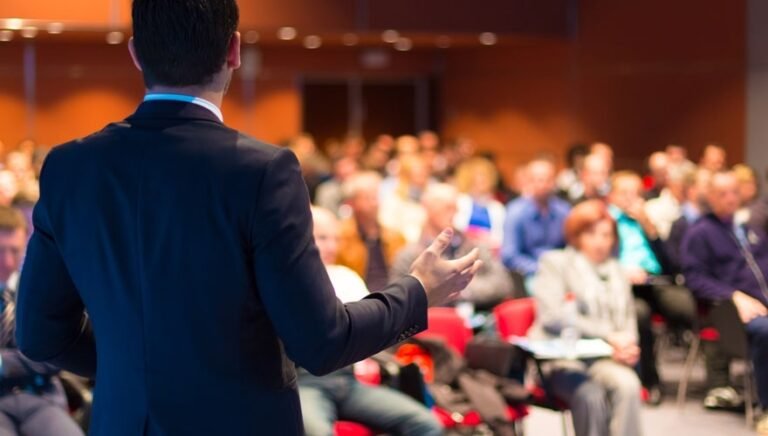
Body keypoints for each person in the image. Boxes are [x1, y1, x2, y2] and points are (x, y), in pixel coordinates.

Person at [14, 2, 481, 435]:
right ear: (234, 50)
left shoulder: (70, 167)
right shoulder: (261, 172)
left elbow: (39, 336)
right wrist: (417, 292)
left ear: (136, 53)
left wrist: (138, 367)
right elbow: (321, 342)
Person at [299, 207, 442, 436]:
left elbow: (376, 326)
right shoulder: (290, 284)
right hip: (306, 382)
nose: (332, 247)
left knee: (427, 424)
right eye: (323, 238)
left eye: (336, 239)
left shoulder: (346, 276)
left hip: (347, 381)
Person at [529, 200, 642, 436]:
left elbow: (628, 318)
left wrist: (628, 345)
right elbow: (553, 316)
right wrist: (609, 335)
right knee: (591, 395)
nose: (600, 242)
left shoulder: (617, 270)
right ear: (576, 236)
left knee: (628, 384)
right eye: (591, 234)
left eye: (606, 235)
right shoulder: (556, 263)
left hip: (605, 357)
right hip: (563, 358)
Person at [682, 171, 768, 433]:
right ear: (710, 197)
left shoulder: (748, 229)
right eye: (723, 193)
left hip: (762, 304)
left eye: (734, 192)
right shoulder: (699, 233)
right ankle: (766, 409)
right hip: (729, 313)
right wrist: (734, 296)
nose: (730, 198)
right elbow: (695, 279)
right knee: (766, 330)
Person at [608, 171, 695, 403]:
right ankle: (649, 380)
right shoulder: (606, 221)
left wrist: (650, 228)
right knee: (640, 315)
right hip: (622, 287)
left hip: (655, 282)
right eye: (624, 193)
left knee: (686, 306)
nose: (630, 199)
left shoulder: (646, 220)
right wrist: (623, 272)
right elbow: (600, 260)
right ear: (611, 196)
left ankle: (719, 379)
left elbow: (670, 263)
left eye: (635, 193)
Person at [0, 206, 84, 435]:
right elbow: (38, 353)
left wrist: (3, 364)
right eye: (0, 251)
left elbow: (53, 357)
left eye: (15, 251)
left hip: (41, 398)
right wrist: (26, 360)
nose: (7, 261)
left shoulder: (38, 289)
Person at [391, 184, 513, 311]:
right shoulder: (409, 255)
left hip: (478, 316)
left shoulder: (474, 246)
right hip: (432, 320)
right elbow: (399, 299)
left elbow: (503, 284)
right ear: (428, 208)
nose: (454, 213)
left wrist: (461, 289)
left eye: (455, 208)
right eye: (447, 208)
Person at [502, 158, 570, 285]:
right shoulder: (515, 212)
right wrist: (540, 269)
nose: (543, 185)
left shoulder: (564, 210)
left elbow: (571, 247)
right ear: (528, 182)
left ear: (554, 181)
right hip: (529, 274)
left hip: (560, 270)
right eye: (538, 180)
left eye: (548, 180)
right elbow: (509, 255)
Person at [336, 171, 407, 292]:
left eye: (376, 197)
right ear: (352, 203)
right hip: (358, 296)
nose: (374, 203)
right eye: (367, 198)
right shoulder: (340, 237)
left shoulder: (396, 237)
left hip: (392, 295)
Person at [453, 157, 506, 251]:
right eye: (478, 175)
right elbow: (455, 227)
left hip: (489, 251)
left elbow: (500, 237)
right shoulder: (459, 201)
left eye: (486, 176)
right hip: (461, 249)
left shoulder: (498, 208)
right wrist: (475, 234)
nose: (482, 179)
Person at [379, 154, 432, 244]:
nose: (423, 178)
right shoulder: (394, 200)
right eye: (419, 175)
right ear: (406, 176)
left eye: (425, 174)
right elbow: (387, 227)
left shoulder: (430, 197)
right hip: (403, 245)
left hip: (427, 244)